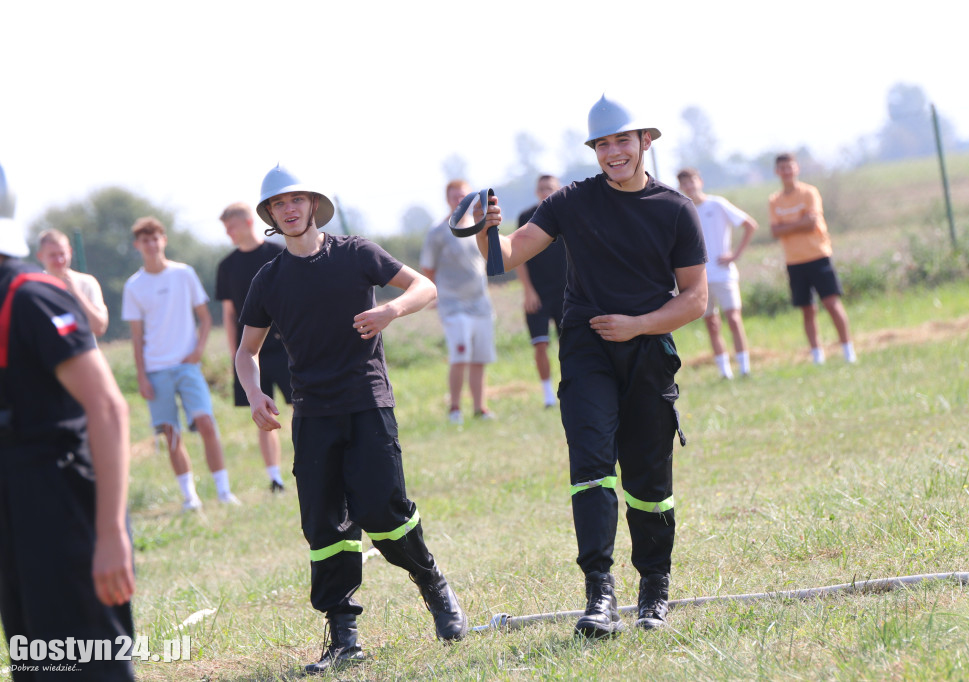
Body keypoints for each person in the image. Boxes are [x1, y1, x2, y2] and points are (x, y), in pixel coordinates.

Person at [471, 95, 708, 636]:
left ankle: (655, 587)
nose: (613, 152)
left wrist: (639, 324)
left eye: (623, 140)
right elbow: (504, 258)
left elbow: (695, 299)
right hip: (586, 349)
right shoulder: (570, 201)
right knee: (592, 466)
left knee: (650, 480)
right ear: (594, 151)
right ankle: (599, 595)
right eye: (603, 144)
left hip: (648, 351)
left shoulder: (675, 209)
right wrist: (488, 229)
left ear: (646, 141)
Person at [236, 165, 468, 674]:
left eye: (298, 199)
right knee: (325, 525)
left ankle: (432, 583)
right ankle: (344, 636)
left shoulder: (357, 253)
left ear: (314, 205)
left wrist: (391, 311)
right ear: (271, 215)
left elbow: (424, 287)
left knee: (384, 510)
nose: (290, 209)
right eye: (280, 204)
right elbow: (246, 351)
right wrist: (254, 393)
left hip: (368, 402)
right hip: (313, 416)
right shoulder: (269, 279)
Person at [0, 217, 135, 681]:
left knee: (84, 666)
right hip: (13, 511)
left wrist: (112, 534)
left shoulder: (30, 297)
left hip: (62, 508)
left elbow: (108, 409)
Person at [122, 216, 239, 511]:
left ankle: (223, 492)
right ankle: (190, 497)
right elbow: (136, 337)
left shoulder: (183, 274)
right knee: (171, 433)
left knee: (206, 423)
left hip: (187, 365)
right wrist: (141, 376)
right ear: (138, 245)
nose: (151, 244)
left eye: (155, 238)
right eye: (144, 240)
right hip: (155, 368)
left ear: (164, 240)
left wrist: (198, 350)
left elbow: (205, 317)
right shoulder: (134, 286)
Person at [216, 202, 289, 493]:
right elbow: (229, 313)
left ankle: (311, 465)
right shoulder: (226, 266)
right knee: (262, 413)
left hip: (286, 348)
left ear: (248, 223)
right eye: (225, 229)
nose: (228, 233)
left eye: (231, 226)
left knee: (305, 409)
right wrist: (238, 355)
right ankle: (275, 478)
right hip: (251, 353)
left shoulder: (279, 253)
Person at [420, 179, 496, 424]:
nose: (458, 201)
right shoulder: (438, 232)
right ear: (447, 199)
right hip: (453, 305)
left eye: (463, 196)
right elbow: (427, 269)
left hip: (480, 303)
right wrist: (432, 295)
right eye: (454, 197)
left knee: (479, 358)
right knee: (460, 355)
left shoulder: (480, 227)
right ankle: (454, 408)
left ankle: (479, 407)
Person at [768, 153, 856, 365]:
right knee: (807, 309)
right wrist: (798, 222)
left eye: (790, 167)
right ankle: (817, 354)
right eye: (782, 168)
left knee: (832, 303)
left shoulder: (809, 192)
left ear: (796, 168)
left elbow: (811, 222)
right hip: (794, 261)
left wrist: (787, 227)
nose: (787, 171)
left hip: (818, 255)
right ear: (777, 172)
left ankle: (847, 350)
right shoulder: (774, 200)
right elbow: (774, 230)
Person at [677, 168, 758, 379]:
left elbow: (749, 225)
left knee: (733, 318)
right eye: (684, 183)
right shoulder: (683, 211)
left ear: (700, 181)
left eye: (691, 181)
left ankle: (744, 367)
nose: (689, 186)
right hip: (700, 277)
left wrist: (734, 255)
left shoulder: (717, 204)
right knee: (712, 323)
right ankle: (724, 371)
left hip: (724, 273)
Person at [515, 174, 567, 407]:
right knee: (540, 344)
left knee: (571, 344)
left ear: (558, 189)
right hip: (537, 293)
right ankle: (548, 395)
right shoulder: (526, 218)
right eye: (541, 188)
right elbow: (518, 257)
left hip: (567, 292)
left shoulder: (568, 214)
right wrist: (528, 291)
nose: (545, 192)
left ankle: (572, 387)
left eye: (550, 188)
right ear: (536, 192)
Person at [36, 228, 110, 337]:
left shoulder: (87, 282)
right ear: (40, 256)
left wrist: (76, 292)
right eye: (52, 255)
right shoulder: (35, 288)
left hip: (83, 353)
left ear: (70, 252)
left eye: (62, 254)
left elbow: (99, 327)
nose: (59, 260)